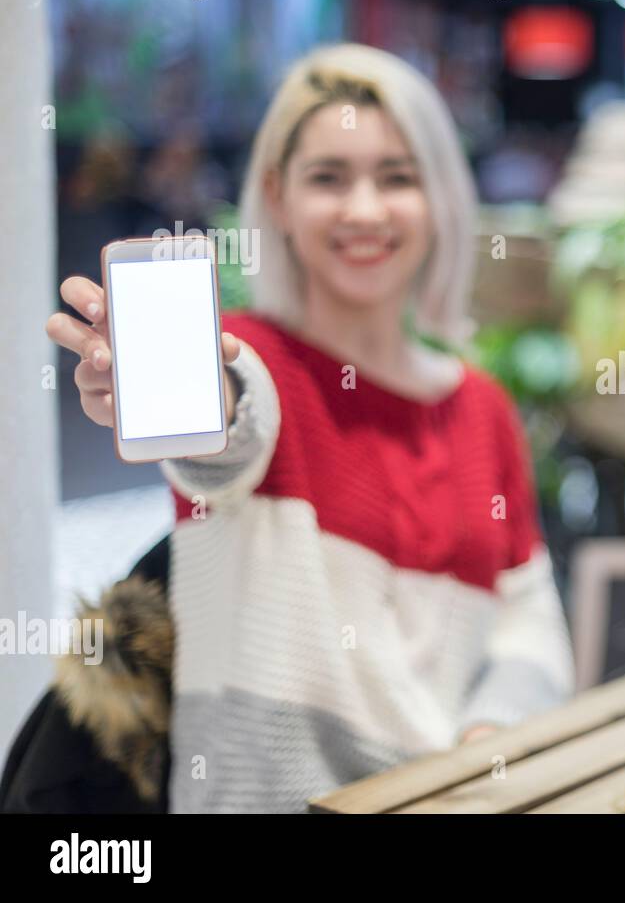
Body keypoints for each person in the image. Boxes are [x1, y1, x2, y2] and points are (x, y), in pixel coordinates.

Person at [43, 44, 575, 812]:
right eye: (328, 178)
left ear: (441, 198)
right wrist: (181, 401)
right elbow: (230, 428)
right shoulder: (250, 358)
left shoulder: (483, 407)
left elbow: (529, 624)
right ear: (277, 197)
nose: (364, 209)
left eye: (397, 176)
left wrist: (490, 731)